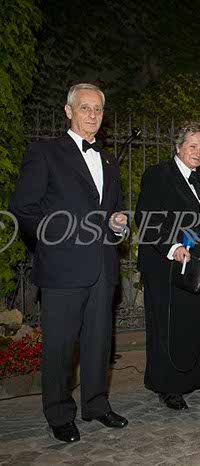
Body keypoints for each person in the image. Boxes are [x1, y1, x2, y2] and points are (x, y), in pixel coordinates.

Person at [10, 83, 128, 443]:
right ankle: (59, 413)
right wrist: (57, 238)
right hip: (62, 268)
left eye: (98, 109)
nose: (92, 115)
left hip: (102, 267)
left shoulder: (108, 161)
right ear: (68, 111)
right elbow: (23, 210)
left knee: (99, 343)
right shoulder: (45, 152)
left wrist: (119, 224)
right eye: (85, 108)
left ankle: (96, 404)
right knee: (60, 346)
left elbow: (114, 209)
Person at [135, 121, 200, 411]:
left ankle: (187, 379)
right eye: (192, 146)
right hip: (162, 263)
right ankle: (167, 386)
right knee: (167, 326)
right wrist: (173, 247)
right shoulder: (159, 174)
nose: (198, 152)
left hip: (188, 262)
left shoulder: (199, 180)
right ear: (178, 146)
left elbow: (195, 221)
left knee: (187, 323)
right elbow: (146, 219)